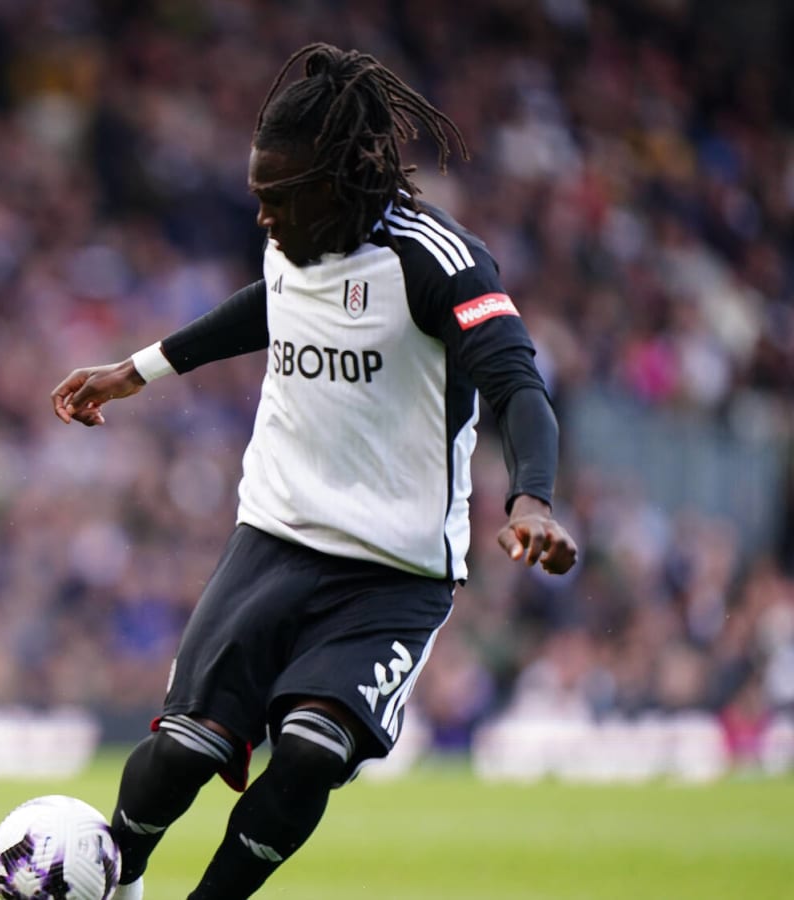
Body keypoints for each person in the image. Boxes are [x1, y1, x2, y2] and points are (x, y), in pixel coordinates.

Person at [50, 43, 578, 899]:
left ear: (341, 186)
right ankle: (112, 878)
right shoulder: (293, 248)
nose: (264, 219)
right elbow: (270, 306)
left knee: (308, 753)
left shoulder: (438, 264)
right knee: (181, 753)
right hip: (275, 539)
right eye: (259, 198)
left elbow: (517, 382)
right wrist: (135, 370)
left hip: (394, 572)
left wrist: (532, 497)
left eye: (280, 200)